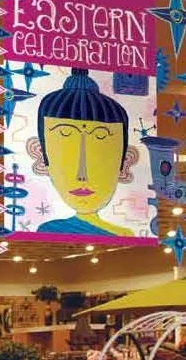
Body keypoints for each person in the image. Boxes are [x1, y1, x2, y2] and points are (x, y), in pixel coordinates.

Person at [28, 68, 137, 237]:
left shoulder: (125, 235)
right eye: (67, 160)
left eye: (99, 163)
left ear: (125, 162)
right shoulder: (50, 231)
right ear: (42, 157)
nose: (82, 175)